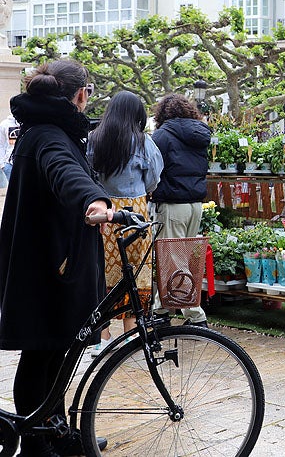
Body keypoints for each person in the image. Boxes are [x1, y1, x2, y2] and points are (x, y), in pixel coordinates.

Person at [0, 60, 114, 457]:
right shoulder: (50, 135)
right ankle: (35, 443)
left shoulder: (48, 130)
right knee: (41, 353)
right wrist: (93, 201)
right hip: (47, 264)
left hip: (49, 258)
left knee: (55, 352)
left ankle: (56, 429)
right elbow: (65, 172)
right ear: (80, 94)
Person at [88, 91, 163, 356]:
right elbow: (155, 176)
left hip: (104, 212)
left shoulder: (95, 139)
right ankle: (131, 337)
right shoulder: (143, 142)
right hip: (136, 213)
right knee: (136, 271)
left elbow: (89, 174)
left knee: (105, 271)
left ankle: (103, 337)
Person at [150, 93, 211, 327]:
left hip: (172, 205)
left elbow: (153, 170)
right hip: (195, 205)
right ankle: (160, 310)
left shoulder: (161, 135)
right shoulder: (200, 133)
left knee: (174, 260)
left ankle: (196, 316)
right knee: (177, 257)